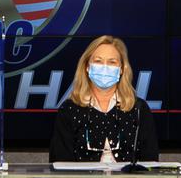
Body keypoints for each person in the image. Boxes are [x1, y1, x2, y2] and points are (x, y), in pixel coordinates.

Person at [50, 35, 159, 163]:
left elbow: (150, 162)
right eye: (98, 61)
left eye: (112, 62)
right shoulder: (69, 109)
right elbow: (59, 163)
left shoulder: (139, 109)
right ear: (87, 67)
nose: (105, 67)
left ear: (122, 69)